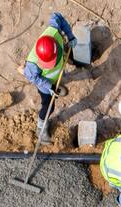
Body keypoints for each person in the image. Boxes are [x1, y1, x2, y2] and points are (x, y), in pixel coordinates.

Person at [24, 12, 82, 140]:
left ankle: (57, 85)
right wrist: (50, 86)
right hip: (46, 85)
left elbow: (57, 16)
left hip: (56, 72)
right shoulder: (32, 65)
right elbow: (32, 77)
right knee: (49, 106)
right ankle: (41, 128)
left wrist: (70, 36)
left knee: (60, 72)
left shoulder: (54, 30)